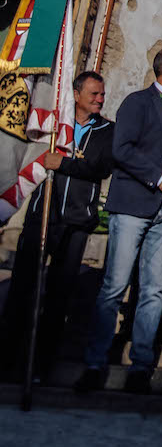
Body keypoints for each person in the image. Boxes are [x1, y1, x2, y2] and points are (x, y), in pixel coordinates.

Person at [76, 45, 162, 394]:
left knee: (154, 290)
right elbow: (122, 149)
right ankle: (95, 362)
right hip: (133, 204)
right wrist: (159, 178)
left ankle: (141, 363)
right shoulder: (137, 102)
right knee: (114, 286)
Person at [0, 72, 114, 380]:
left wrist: (63, 163)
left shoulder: (107, 131)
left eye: (102, 95)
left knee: (58, 297)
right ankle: (8, 359)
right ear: (76, 95)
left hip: (76, 223)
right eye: (93, 94)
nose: (99, 99)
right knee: (23, 290)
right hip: (42, 216)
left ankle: (42, 366)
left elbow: (99, 168)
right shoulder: (53, 127)